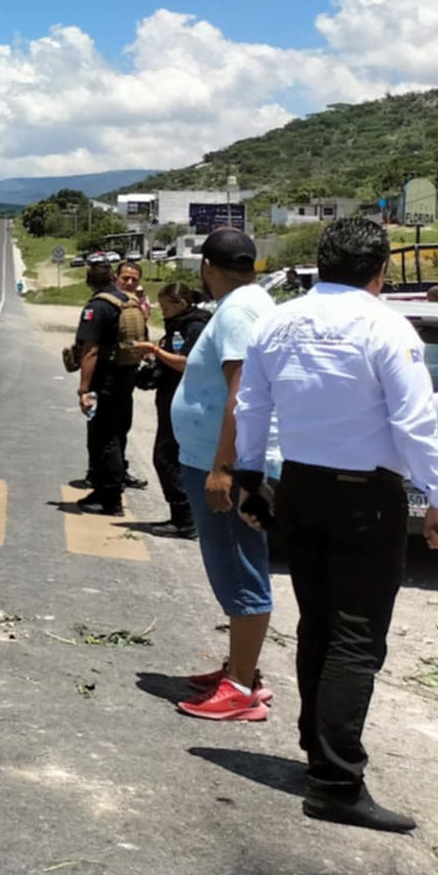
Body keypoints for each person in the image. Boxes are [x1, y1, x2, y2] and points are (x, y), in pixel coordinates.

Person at [234, 217, 438, 833]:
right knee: (357, 638)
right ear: (380, 271)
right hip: (367, 499)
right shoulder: (386, 325)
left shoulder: (276, 321)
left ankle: (317, 749)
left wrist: (249, 477)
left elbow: (252, 406)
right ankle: (337, 781)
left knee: (319, 624)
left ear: (320, 264)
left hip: (300, 489)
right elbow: (415, 423)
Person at [166, 228, 278, 721]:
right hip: (216, 456)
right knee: (233, 566)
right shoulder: (251, 302)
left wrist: (223, 469)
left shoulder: (235, 311)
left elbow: (242, 390)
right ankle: (242, 668)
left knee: (238, 568)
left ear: (207, 267)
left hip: (224, 462)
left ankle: (240, 689)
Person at [73, 256, 147, 516]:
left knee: (104, 438)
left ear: (88, 281)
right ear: (113, 278)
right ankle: (105, 490)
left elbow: (90, 351)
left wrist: (84, 389)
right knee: (117, 434)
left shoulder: (98, 307)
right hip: (126, 376)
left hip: (105, 380)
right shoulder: (129, 302)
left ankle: (110, 498)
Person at [137, 282, 211, 539]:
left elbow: (187, 364)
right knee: (171, 456)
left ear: (180, 304)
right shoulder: (178, 325)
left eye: (166, 306)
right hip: (171, 397)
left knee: (165, 456)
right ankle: (184, 518)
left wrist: (156, 351)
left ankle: (186, 520)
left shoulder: (194, 326)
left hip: (187, 400)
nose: (163, 311)